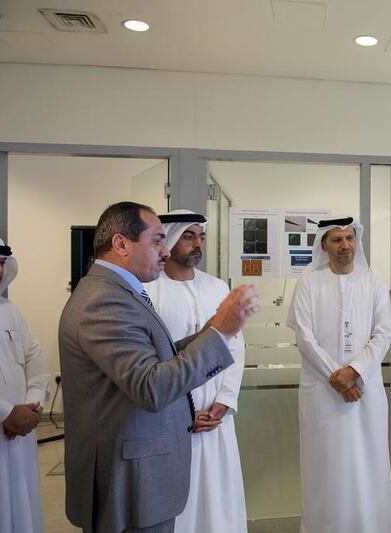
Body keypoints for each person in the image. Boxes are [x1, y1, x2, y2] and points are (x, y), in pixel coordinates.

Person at [59, 201, 259, 533]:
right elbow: (151, 386)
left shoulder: (119, 292)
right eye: (157, 241)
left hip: (143, 468)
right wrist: (220, 331)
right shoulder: (104, 300)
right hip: (130, 479)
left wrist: (213, 329)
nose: (165, 251)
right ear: (121, 244)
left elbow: (159, 357)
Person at [286, 216, 391, 533]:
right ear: (324, 245)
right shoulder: (308, 283)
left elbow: (383, 333)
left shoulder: (373, 280)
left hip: (365, 389)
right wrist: (336, 377)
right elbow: (304, 337)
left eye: (350, 238)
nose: (345, 245)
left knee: (368, 463)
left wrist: (354, 371)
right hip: (322, 392)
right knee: (327, 466)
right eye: (337, 240)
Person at [143, 209, 247, 533]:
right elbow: (150, 360)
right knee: (178, 506)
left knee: (219, 503)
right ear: (169, 240)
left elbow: (236, 345)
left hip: (215, 418)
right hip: (170, 420)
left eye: (200, 237)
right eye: (188, 236)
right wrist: (185, 410)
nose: (197, 244)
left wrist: (224, 402)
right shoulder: (148, 291)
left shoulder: (217, 288)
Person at [0, 234, 51, 533]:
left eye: (1, 262)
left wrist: (31, 407)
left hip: (20, 433)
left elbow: (35, 361)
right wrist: (6, 414)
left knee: (22, 506)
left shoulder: (9, 310)